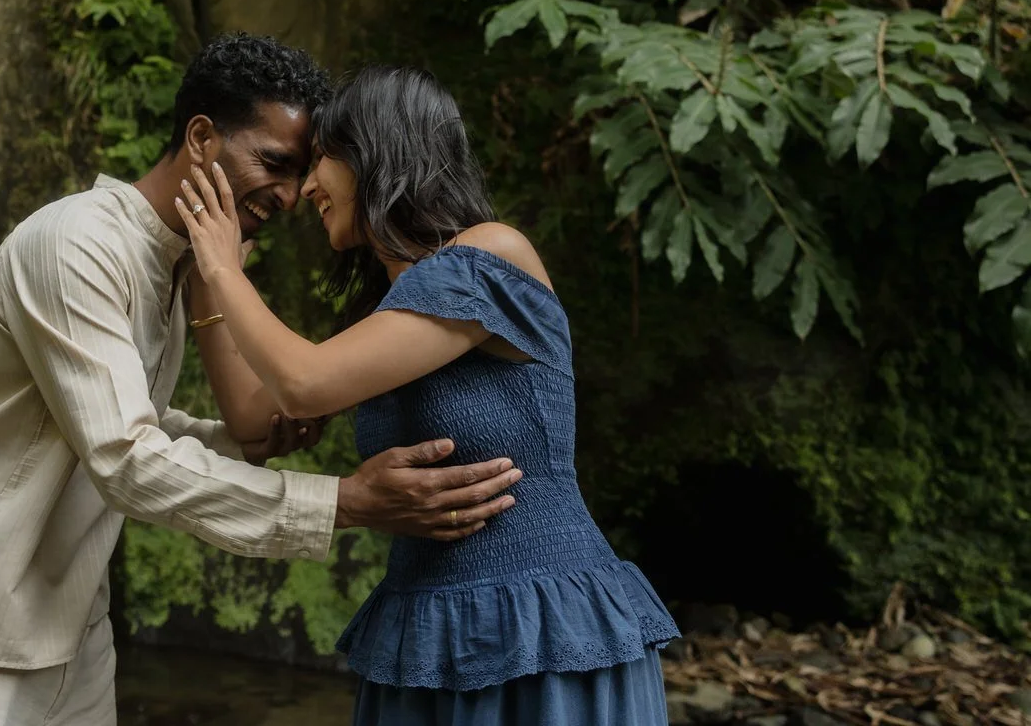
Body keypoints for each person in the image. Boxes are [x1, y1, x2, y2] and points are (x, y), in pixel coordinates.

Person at [0, 36, 525, 726]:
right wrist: (341, 504)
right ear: (201, 137)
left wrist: (240, 444)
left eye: (301, 174)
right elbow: (125, 458)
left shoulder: (182, 266)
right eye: (273, 163)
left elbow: (119, 421)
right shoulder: (76, 243)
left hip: (73, 641)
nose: (291, 197)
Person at [176, 65, 681, 726]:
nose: (302, 192)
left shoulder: (490, 257)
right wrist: (205, 287)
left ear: (375, 151)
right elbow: (256, 420)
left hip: (541, 628)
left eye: (321, 160)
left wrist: (219, 262)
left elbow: (302, 384)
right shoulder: (392, 314)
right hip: (428, 631)